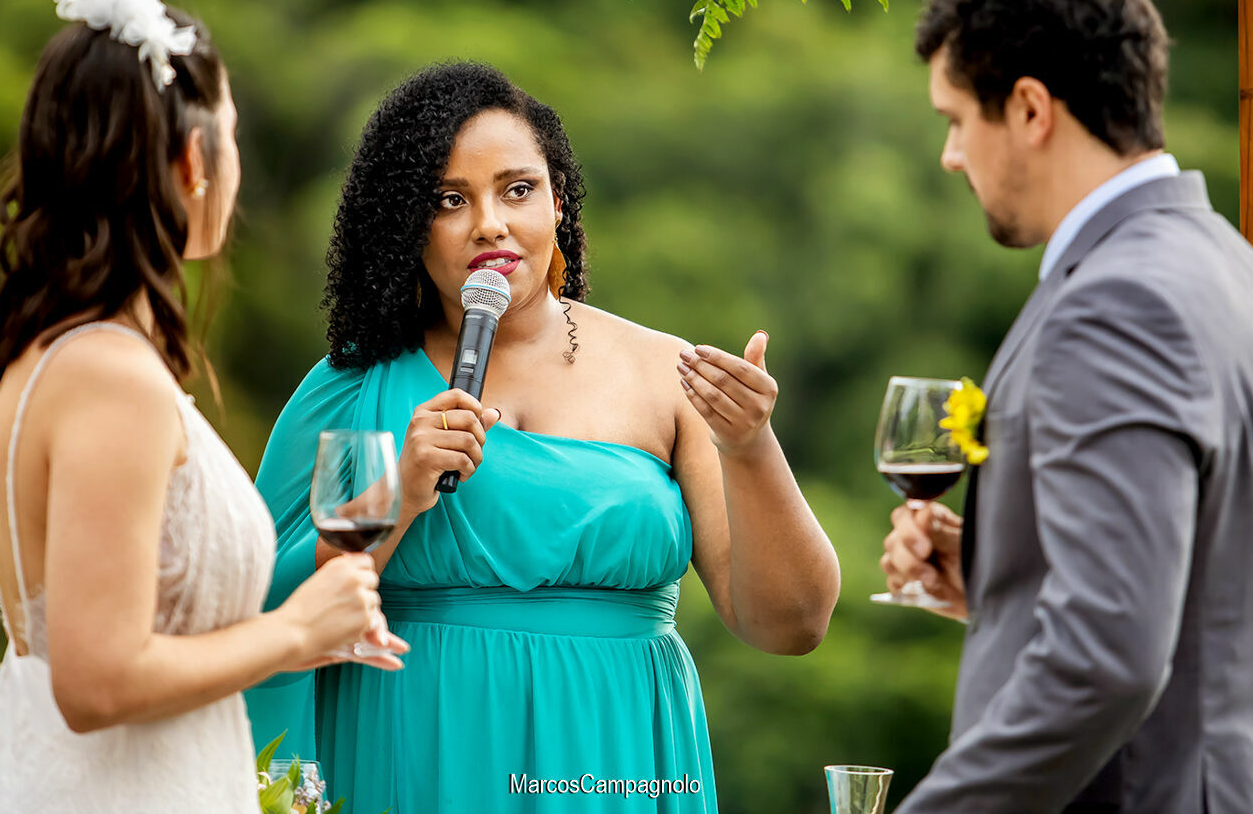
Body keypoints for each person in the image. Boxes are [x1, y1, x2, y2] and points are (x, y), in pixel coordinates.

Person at [245, 60, 841, 812]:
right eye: (449, 200)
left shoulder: (668, 374)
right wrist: (397, 493)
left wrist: (750, 446)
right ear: (405, 224)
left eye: (516, 189)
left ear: (557, 202)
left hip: (612, 757)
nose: (489, 222)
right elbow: (268, 620)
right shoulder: (353, 388)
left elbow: (791, 624)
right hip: (417, 752)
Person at [880, 0, 1253, 813]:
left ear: (1031, 110)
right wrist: (1004, 575)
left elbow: (1107, 660)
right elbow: (1195, 602)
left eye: (956, 121)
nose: (951, 156)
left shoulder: (1116, 305)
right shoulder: (1239, 273)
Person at [0, 0, 405, 813]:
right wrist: (291, 631)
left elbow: (109, 628)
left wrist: (294, 637)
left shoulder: (29, 357)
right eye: (230, 134)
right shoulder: (110, 378)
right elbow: (97, 679)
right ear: (195, 157)